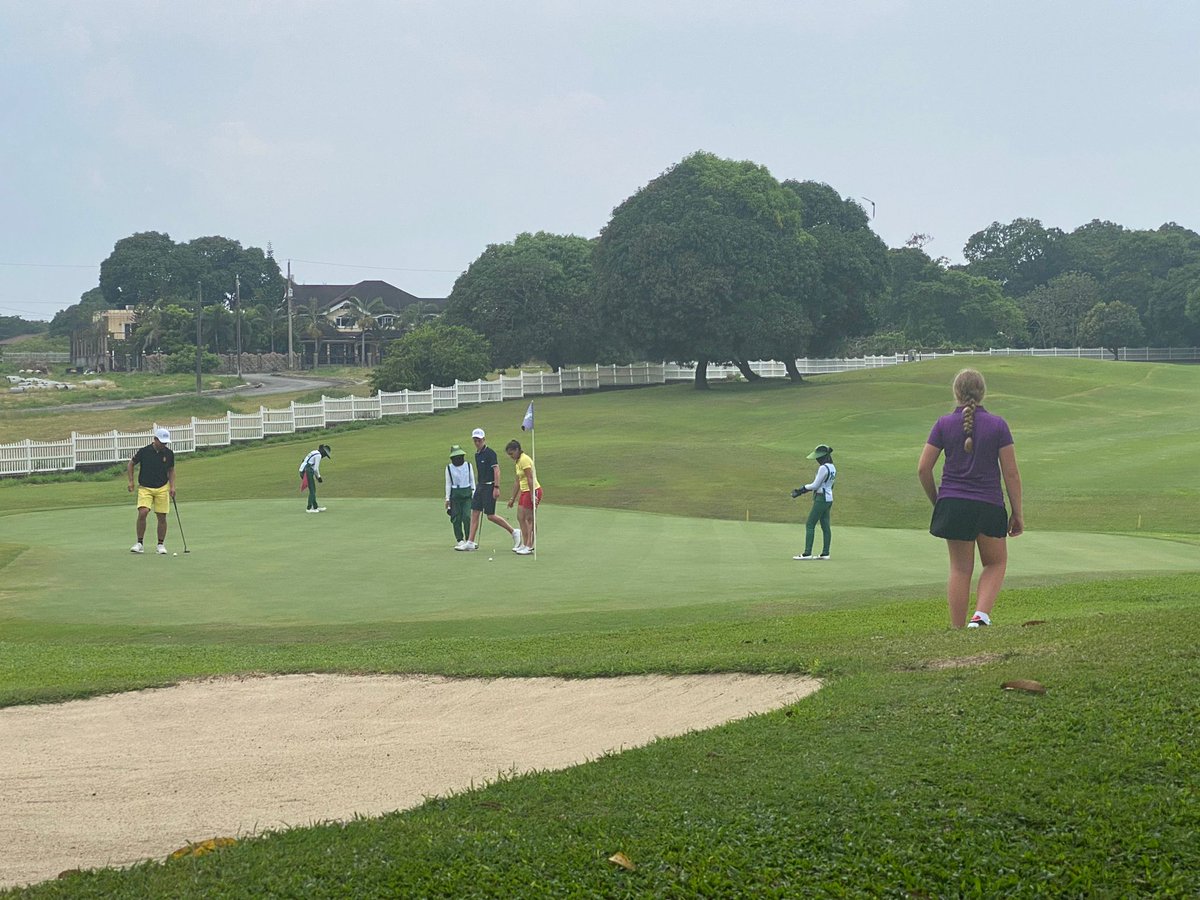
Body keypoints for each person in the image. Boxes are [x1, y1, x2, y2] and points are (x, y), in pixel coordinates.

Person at [918, 368, 1024, 629]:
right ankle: (980, 617)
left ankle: (957, 629)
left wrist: (939, 501)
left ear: (956, 393)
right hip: (989, 504)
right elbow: (1010, 474)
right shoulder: (998, 425)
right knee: (996, 562)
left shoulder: (943, 424)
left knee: (960, 569)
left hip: (954, 503)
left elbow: (923, 469)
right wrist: (1017, 513)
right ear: (983, 392)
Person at [460, 428, 519, 551]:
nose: (477, 442)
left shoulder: (490, 453)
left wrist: (496, 487)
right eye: (475, 440)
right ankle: (470, 542)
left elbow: (496, 470)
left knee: (490, 516)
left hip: (490, 486)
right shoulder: (477, 454)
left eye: (479, 440)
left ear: (484, 439)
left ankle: (514, 532)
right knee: (475, 513)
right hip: (480, 486)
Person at [128, 426, 176, 555]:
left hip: (162, 487)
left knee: (162, 516)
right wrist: (131, 481)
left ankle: (160, 545)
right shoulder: (144, 451)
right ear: (155, 439)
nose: (164, 444)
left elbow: (171, 470)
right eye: (162, 442)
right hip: (145, 487)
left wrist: (172, 487)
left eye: (165, 442)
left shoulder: (169, 453)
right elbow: (131, 463)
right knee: (143, 512)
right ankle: (139, 543)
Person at [791, 444, 836, 560]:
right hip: (829, 498)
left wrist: (802, 489)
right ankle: (825, 553)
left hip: (821, 498)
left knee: (810, 524)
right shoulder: (832, 467)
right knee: (825, 525)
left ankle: (807, 553)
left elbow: (815, 485)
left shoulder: (823, 468)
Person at [505, 439, 541, 555]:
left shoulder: (524, 460)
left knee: (529, 518)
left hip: (533, 490)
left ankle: (529, 545)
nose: (511, 456)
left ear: (517, 450)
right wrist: (512, 498)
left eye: (511, 453)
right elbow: (517, 481)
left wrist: (532, 496)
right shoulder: (518, 461)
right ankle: (525, 543)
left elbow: (530, 478)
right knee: (520, 517)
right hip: (524, 491)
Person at [445, 444, 476, 550]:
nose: (458, 458)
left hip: (467, 494)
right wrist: (447, 499)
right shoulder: (449, 468)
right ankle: (460, 540)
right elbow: (448, 483)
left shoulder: (468, 465)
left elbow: (472, 480)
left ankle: (469, 539)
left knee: (467, 516)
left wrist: (474, 492)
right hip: (455, 495)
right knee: (456, 518)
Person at [299, 444, 331, 513]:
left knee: (312, 489)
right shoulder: (318, 455)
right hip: (307, 471)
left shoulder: (314, 452)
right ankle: (309, 508)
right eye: (325, 455)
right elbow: (316, 468)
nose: (324, 456)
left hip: (303, 470)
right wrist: (319, 477)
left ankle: (315, 506)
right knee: (312, 490)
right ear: (323, 452)